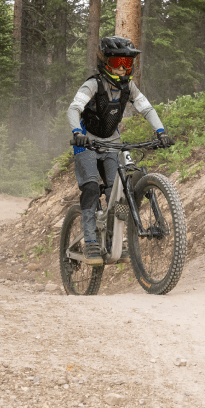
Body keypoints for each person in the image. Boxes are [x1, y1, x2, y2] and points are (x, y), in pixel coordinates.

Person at [68, 36, 174, 265]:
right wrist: (78, 132)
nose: (124, 68)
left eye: (128, 63)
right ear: (106, 62)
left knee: (118, 190)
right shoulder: (93, 84)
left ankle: (117, 240)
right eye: (119, 63)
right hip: (86, 141)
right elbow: (74, 107)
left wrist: (161, 131)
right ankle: (90, 242)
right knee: (91, 187)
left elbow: (147, 109)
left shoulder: (129, 87)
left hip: (111, 142)